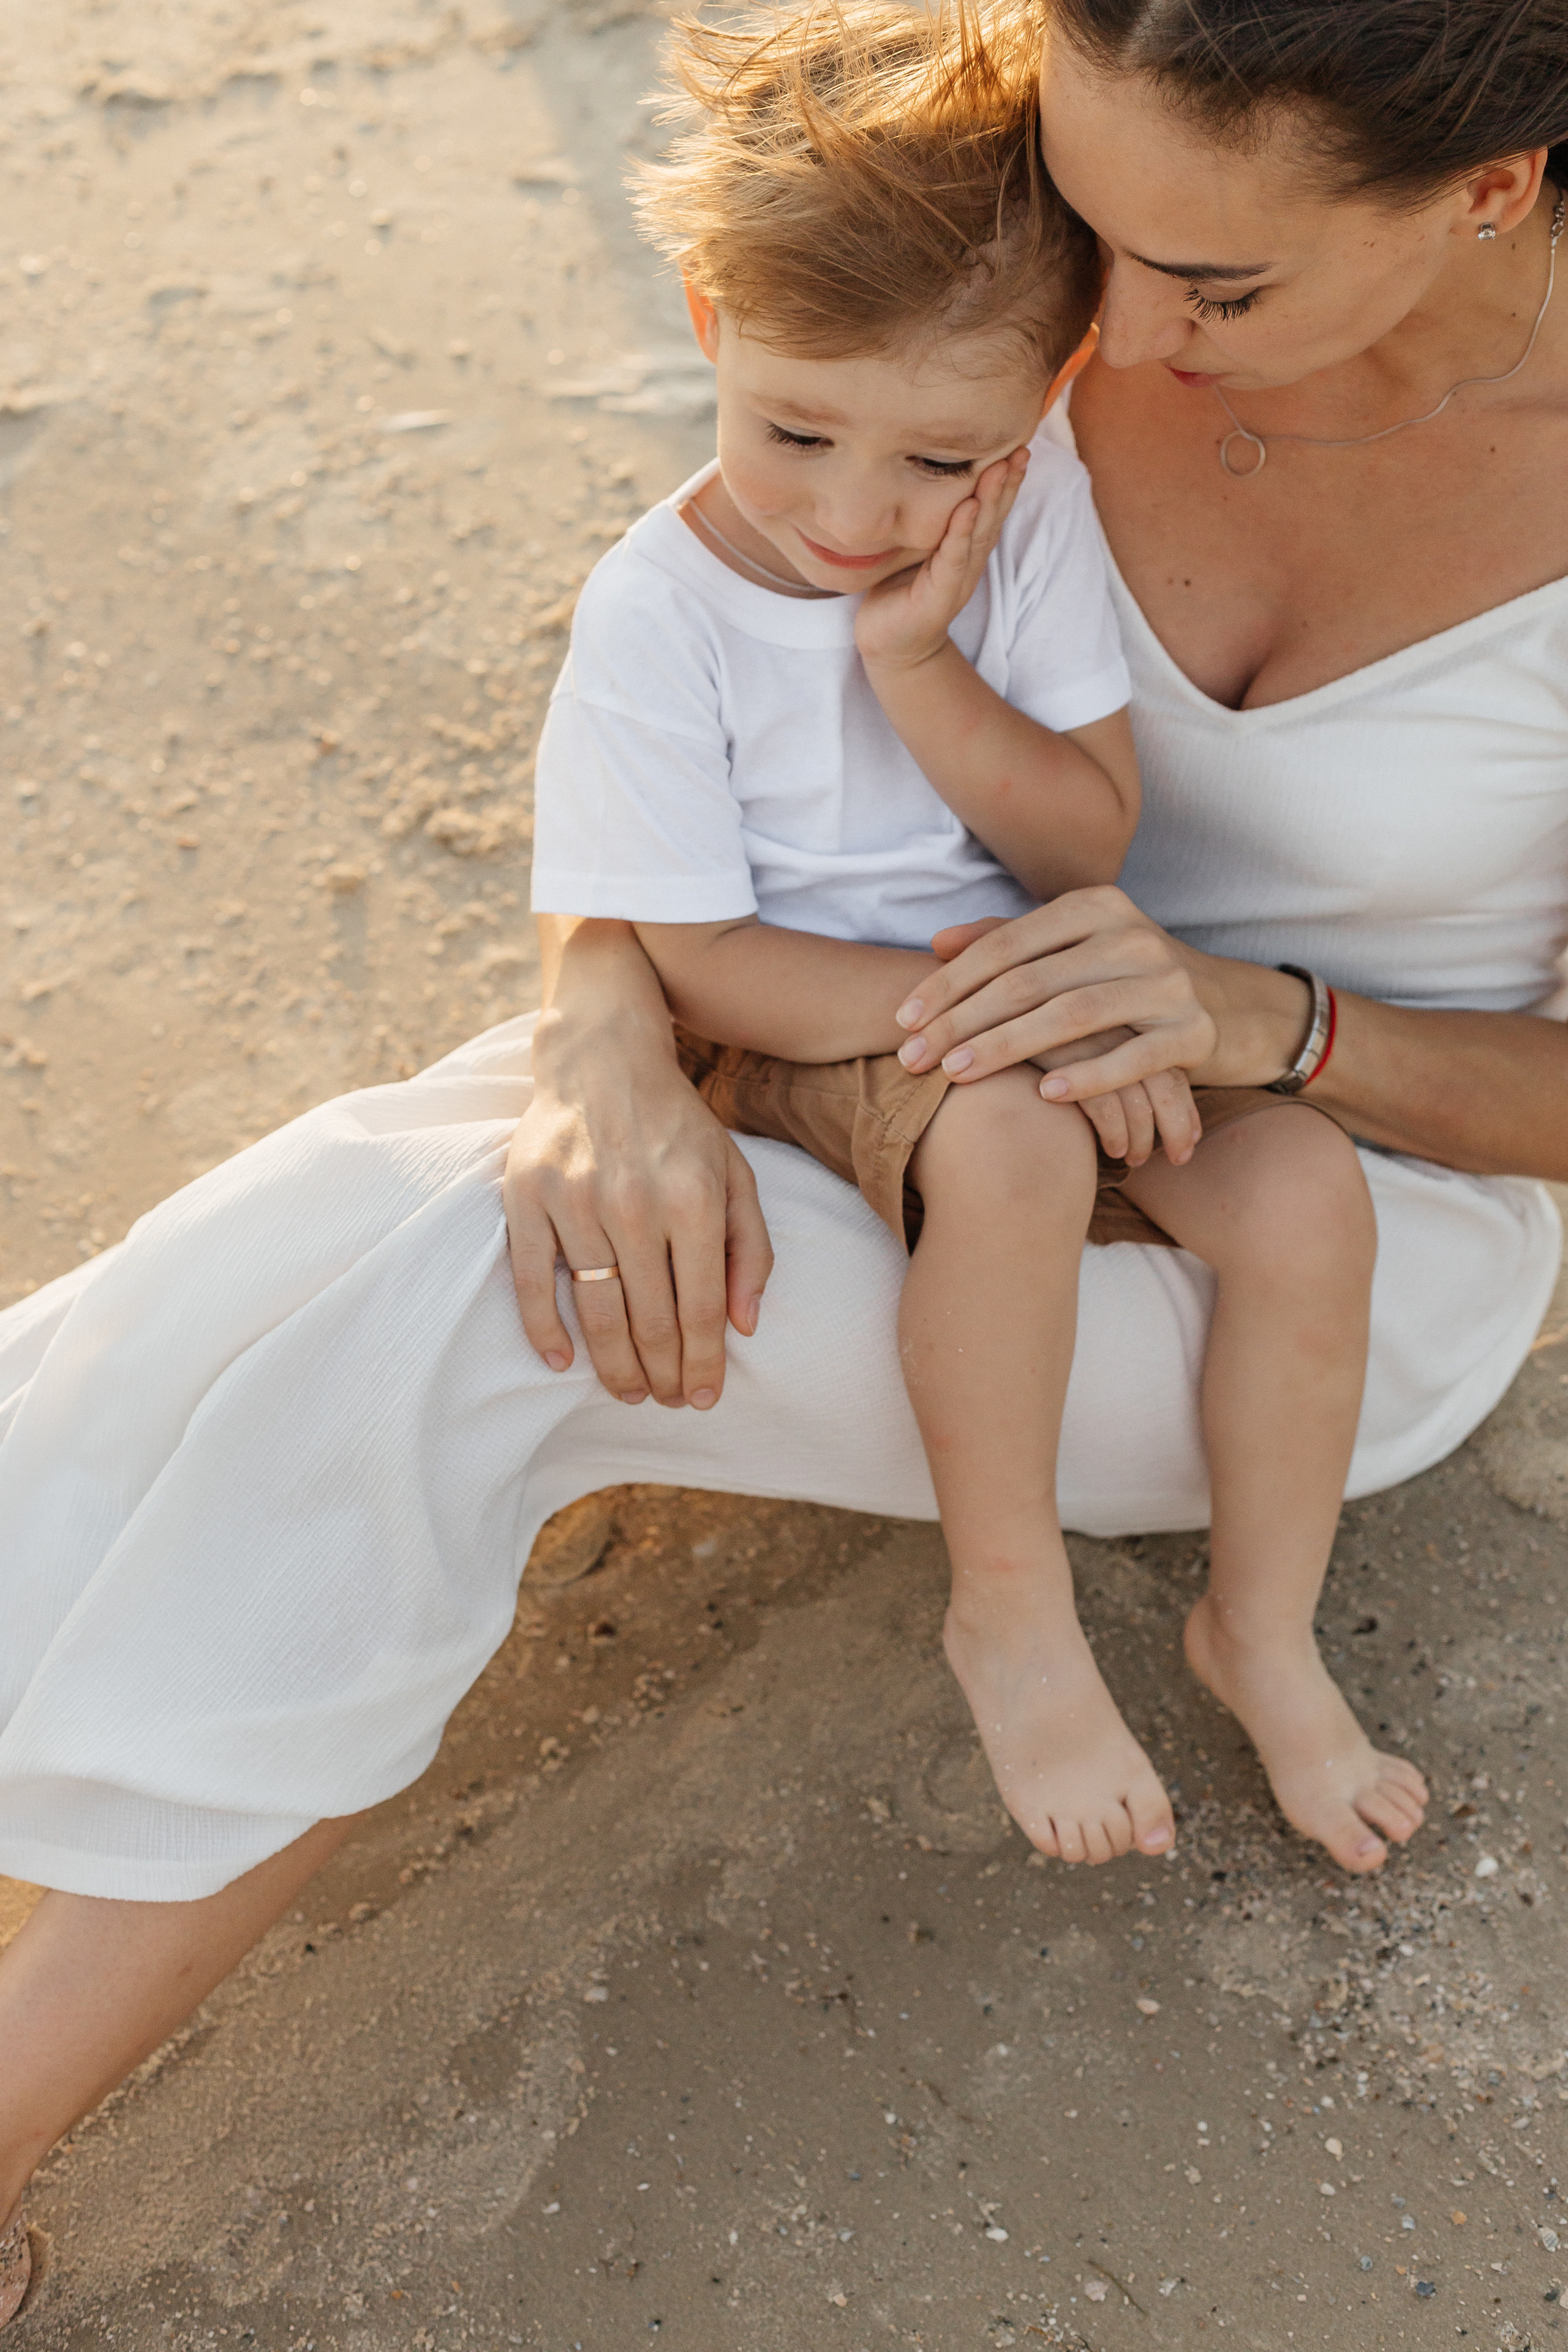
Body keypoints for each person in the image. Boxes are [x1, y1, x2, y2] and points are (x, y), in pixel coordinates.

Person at [2, 0, 1566, 2320]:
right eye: (1102, 241)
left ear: (1494, 193)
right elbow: (703, 687)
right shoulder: (1024, 260)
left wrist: (1274, 1019)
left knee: (487, 1309)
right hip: (889, 1038)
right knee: (362, 1200)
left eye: (1211, 290)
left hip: (1316, 1233)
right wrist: (596, 1032)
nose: (1107, 337)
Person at [531, 0, 1428, 1874]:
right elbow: (694, 955)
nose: (863, 514)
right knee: (1017, 1145)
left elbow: (1083, 829)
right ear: (709, 328)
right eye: (797, 430)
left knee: (1306, 1199)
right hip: (817, 1018)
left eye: (943, 458)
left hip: (1039, 990)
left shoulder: (1023, 527)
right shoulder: (659, 613)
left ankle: (1255, 1629)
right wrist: (1003, 1026)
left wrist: (918, 664)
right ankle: (1007, 1606)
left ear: (1045, 397)